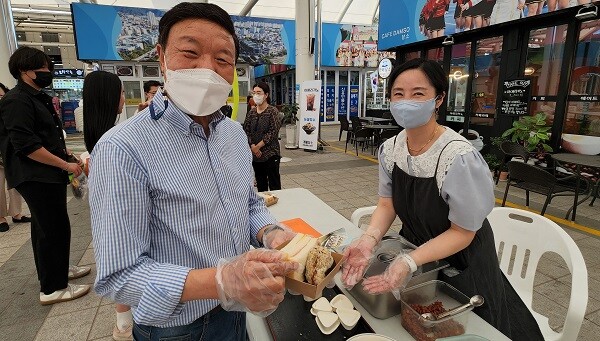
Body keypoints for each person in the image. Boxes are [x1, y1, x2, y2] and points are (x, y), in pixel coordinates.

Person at [88, 3, 297, 340]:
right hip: (179, 326)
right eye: (190, 52)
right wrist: (220, 280)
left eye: (223, 59)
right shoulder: (122, 149)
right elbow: (119, 275)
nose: (207, 70)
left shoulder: (231, 133)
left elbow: (249, 204)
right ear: (161, 56)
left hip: (238, 307)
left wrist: (270, 233)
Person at [341, 59, 544, 340]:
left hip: (463, 262)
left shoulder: (457, 157)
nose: (406, 101)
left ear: (439, 99)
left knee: (465, 329)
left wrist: (409, 262)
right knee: (417, 325)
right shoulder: (391, 149)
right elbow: (387, 204)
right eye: (398, 94)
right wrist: (368, 239)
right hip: (416, 252)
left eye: (418, 93)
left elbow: (463, 232)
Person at [0, 46, 91, 304]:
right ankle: (53, 288)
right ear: (24, 71)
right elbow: (26, 146)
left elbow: (47, 139)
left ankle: (58, 270)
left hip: (45, 173)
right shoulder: (17, 100)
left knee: (47, 227)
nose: (47, 72)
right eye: (41, 68)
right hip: (35, 175)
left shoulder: (35, 96)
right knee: (52, 228)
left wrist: (68, 157)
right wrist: (65, 166)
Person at [82, 71, 132, 341]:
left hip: (103, 210)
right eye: (122, 93)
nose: (124, 98)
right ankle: (124, 324)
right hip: (119, 211)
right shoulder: (113, 140)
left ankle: (123, 321)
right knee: (123, 258)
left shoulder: (94, 131)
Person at [0, 82, 31, 232]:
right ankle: (0, 218)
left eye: (0, 95)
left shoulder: (10, 110)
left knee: (15, 185)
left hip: (11, 153)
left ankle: (16, 213)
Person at [243, 82, 282, 192]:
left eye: (259, 93)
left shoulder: (272, 111)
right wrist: (252, 146)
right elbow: (246, 130)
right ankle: (263, 206)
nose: (256, 95)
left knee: (274, 184)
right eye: (254, 93)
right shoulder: (251, 112)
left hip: (270, 154)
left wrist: (258, 146)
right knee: (261, 185)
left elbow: (273, 131)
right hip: (256, 156)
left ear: (266, 95)